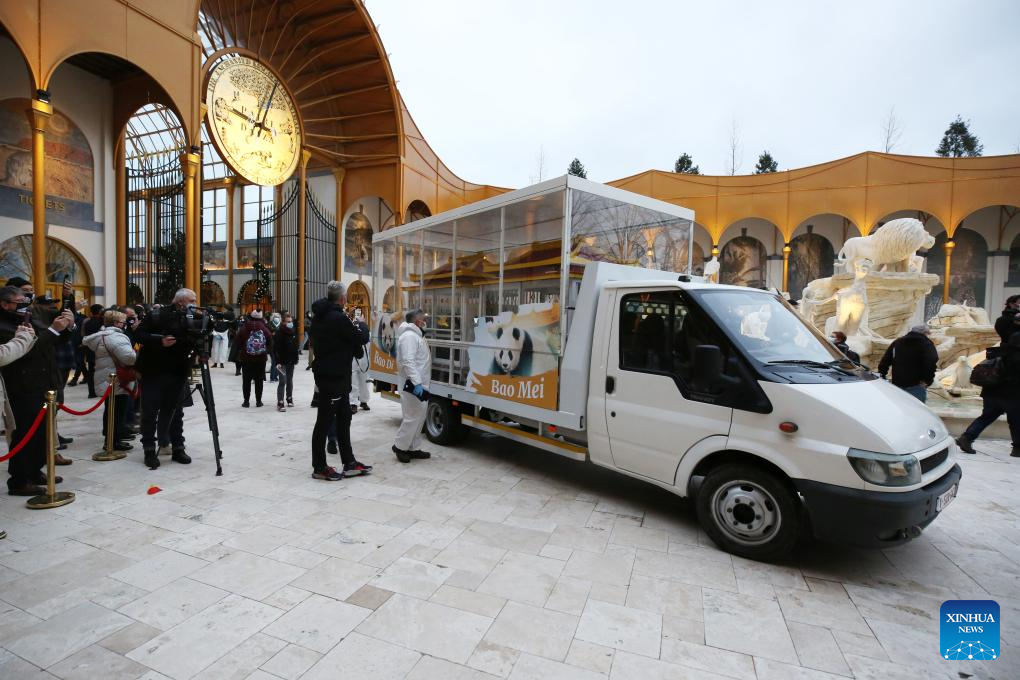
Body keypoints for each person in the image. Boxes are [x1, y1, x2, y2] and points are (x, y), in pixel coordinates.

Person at [0, 286, 75, 495]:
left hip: (45, 383)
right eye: (19, 301)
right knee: (25, 435)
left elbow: (53, 340)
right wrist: (53, 331)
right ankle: (19, 480)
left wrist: (66, 326)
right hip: (23, 387)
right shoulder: (4, 325)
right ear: (5, 304)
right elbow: (25, 352)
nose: (25, 305)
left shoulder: (29, 317)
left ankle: (34, 471)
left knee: (42, 435)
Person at [309, 281, 372, 480]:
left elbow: (340, 340)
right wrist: (363, 326)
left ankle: (349, 462)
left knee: (344, 418)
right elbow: (360, 338)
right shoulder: (336, 318)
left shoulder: (322, 316)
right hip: (332, 376)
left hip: (337, 376)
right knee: (324, 422)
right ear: (342, 298)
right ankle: (319, 466)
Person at [134, 288, 199, 469]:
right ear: (180, 302)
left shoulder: (191, 317)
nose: (194, 304)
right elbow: (138, 335)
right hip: (153, 371)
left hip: (178, 372)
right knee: (150, 412)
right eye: (191, 300)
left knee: (176, 412)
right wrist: (159, 341)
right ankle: (149, 449)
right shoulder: (156, 315)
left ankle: (178, 447)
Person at [957, 333, 1020, 457]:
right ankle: (1017, 449)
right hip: (1012, 395)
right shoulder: (1017, 356)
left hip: (991, 392)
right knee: (1016, 421)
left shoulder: (999, 352)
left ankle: (967, 438)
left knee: (986, 417)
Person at [83, 309, 136, 451]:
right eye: (123, 322)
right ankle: (113, 442)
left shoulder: (101, 335)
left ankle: (110, 438)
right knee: (118, 411)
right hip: (117, 378)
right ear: (116, 323)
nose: (125, 324)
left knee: (110, 410)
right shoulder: (116, 337)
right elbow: (129, 357)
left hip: (105, 377)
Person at [392, 308, 432, 463]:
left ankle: (413, 447)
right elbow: (408, 362)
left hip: (421, 384)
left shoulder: (416, 335)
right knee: (412, 417)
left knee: (419, 417)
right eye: (424, 319)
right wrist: (417, 383)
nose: (426, 321)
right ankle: (400, 446)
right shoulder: (409, 336)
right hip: (413, 385)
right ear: (417, 321)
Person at [877, 324, 938, 402]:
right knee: (917, 411)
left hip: (898, 384)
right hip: (917, 385)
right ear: (925, 333)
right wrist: (927, 380)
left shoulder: (898, 342)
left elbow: (885, 360)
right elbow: (932, 361)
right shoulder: (926, 344)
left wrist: (882, 374)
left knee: (901, 410)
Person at [234, 310, 273, 408]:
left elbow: (237, 341)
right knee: (259, 381)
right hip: (261, 359)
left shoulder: (244, 328)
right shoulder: (264, 328)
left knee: (246, 381)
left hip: (246, 358)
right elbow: (270, 339)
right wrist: (265, 349)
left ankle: (246, 402)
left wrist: (242, 349)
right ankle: (258, 401)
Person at [273, 312, 299, 411]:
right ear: (283, 322)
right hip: (281, 361)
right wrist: (277, 361)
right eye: (288, 322)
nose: (290, 323)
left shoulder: (293, 332)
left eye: (291, 321)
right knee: (282, 381)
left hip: (291, 361)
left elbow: (295, 347)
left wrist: (296, 358)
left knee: (289, 380)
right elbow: (276, 349)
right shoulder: (279, 333)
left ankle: (289, 398)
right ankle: (280, 402)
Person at [349, 307, 371, 414]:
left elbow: (368, 342)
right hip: (353, 359)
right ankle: (353, 402)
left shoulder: (366, 329)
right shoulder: (351, 327)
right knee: (353, 382)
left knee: (364, 382)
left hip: (364, 359)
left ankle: (363, 400)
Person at [81, 303, 105, 398]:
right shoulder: (101, 322)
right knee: (100, 372)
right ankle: (99, 390)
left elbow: (83, 335)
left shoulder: (87, 322)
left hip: (89, 349)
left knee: (91, 371)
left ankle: (91, 392)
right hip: (99, 350)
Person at [268, 312, 282, 382]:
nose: (276, 318)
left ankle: (275, 376)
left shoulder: (281, 324)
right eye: (275, 317)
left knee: (278, 362)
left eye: (277, 317)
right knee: (274, 362)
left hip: (279, 346)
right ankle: (272, 377)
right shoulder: (270, 324)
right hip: (272, 346)